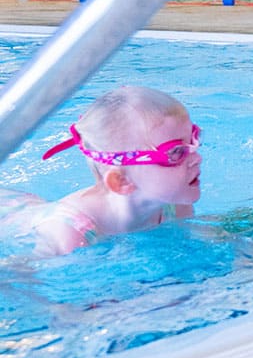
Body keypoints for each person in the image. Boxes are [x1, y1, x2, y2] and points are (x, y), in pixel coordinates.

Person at [0, 87, 202, 257]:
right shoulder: (67, 234)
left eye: (193, 139)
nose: (197, 158)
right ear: (122, 181)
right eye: (176, 152)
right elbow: (19, 283)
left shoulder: (175, 206)